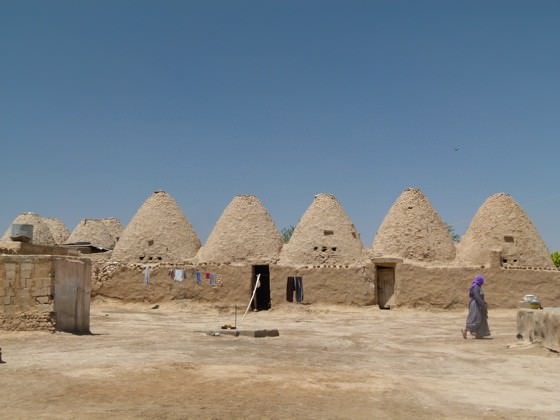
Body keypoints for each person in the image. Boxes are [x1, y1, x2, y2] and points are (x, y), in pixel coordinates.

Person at [462, 274, 491, 339]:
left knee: (480, 319)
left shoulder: (478, 286)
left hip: (478, 304)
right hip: (475, 305)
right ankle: (466, 331)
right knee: (474, 318)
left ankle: (479, 334)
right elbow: (476, 296)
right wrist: (482, 304)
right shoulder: (475, 287)